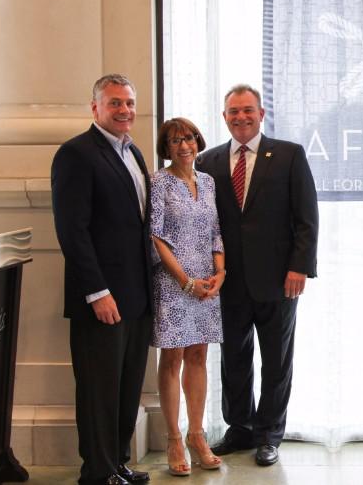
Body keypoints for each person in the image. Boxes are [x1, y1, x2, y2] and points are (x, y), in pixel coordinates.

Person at [197, 84, 319, 466]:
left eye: (248, 110)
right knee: (233, 357)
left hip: (279, 280)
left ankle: (269, 434)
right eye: (233, 111)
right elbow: (204, 224)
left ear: (261, 114)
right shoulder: (208, 162)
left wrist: (299, 267)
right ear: (224, 117)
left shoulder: (288, 155)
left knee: (276, 359)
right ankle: (240, 429)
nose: (241, 117)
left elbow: (306, 218)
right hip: (227, 281)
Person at [51, 74, 152, 485]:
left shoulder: (134, 153)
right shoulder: (76, 154)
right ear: (94, 108)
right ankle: (98, 471)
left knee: (127, 389)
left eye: (128, 102)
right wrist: (97, 292)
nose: (124, 110)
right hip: (102, 299)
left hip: (138, 297)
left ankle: (118, 463)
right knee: (99, 391)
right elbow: (72, 231)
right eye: (114, 103)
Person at [151, 118, 224, 476]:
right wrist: (184, 281)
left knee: (199, 354)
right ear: (166, 147)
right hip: (174, 282)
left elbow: (215, 231)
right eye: (176, 140)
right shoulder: (158, 182)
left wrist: (220, 273)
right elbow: (156, 237)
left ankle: (198, 436)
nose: (185, 146)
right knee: (174, 357)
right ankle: (174, 438)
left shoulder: (207, 181)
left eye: (190, 138)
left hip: (208, 282)